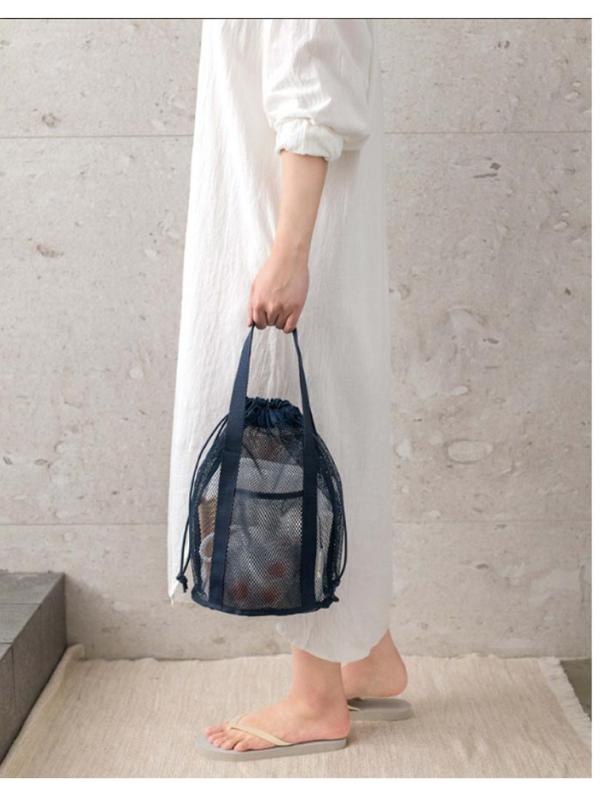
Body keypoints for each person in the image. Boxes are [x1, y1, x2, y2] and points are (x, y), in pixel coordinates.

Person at [167, 19, 409, 760]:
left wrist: (288, 253)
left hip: (283, 230)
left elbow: (312, 90)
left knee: (301, 443)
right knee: (332, 437)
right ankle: (367, 654)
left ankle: (315, 699)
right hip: (282, 224)